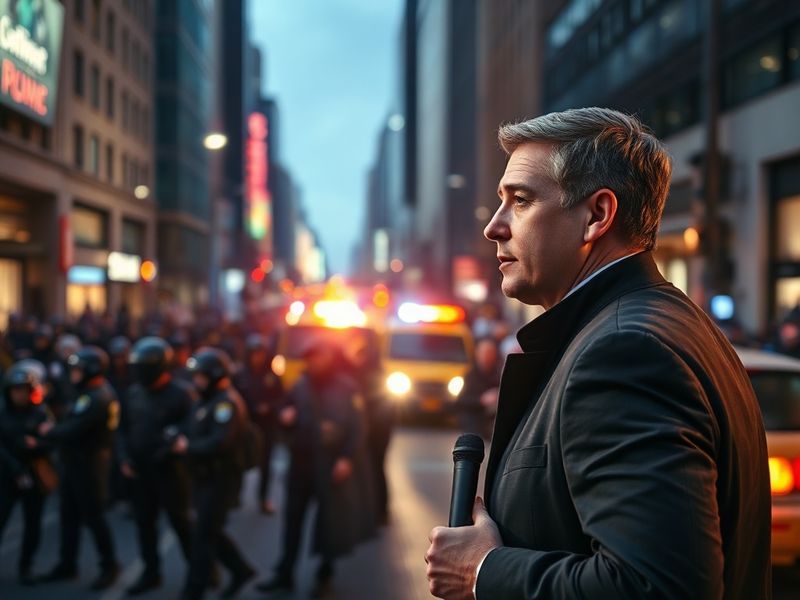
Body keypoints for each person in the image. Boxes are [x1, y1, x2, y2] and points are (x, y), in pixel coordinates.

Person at [424, 108, 771, 599]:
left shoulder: (623, 351)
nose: (494, 227)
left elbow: (658, 587)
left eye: (520, 201)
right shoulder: (669, 326)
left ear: (596, 216)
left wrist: (482, 570)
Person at [257, 341, 372, 598]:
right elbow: (284, 411)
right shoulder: (300, 385)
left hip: (329, 464)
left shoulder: (347, 387)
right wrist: (285, 418)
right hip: (300, 463)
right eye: (310, 358)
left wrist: (347, 458)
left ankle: (324, 574)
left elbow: (359, 426)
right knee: (292, 519)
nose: (314, 363)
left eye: (319, 357)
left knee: (329, 521)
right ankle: (285, 572)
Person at [171, 347, 256, 600]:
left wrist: (189, 447)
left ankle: (194, 590)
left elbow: (220, 442)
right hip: (204, 477)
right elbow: (193, 425)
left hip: (220, 480)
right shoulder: (207, 399)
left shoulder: (226, 403)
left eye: (201, 377)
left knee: (202, 536)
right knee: (210, 531)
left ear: (215, 376)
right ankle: (241, 570)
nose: (196, 381)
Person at [38, 346, 121, 591]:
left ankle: (109, 565)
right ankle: (67, 564)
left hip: (90, 465)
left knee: (94, 517)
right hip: (75, 462)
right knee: (69, 515)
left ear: (91, 370)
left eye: (78, 370)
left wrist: (49, 431)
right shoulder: (88, 393)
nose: (73, 373)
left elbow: (73, 428)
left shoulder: (97, 396)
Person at [119, 337, 196, 595]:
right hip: (140, 471)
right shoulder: (133, 393)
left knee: (181, 523)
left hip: (171, 471)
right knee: (144, 524)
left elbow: (192, 426)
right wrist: (124, 458)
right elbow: (122, 430)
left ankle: (200, 572)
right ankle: (151, 573)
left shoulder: (181, 394)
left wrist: (175, 441)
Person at [0, 362, 55, 584]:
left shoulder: (41, 412)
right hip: (7, 475)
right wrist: (14, 468)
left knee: (33, 523)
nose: (20, 395)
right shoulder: (2, 412)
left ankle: (26, 566)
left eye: (24, 390)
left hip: (34, 475)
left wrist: (38, 445)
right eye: (16, 390)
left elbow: (53, 440)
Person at [232, 333, 284, 514]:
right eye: (255, 353)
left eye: (261, 353)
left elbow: (281, 399)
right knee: (238, 461)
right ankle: (235, 496)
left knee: (266, 463)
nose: (258, 357)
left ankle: (263, 498)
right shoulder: (240, 375)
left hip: (266, 427)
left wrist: (269, 407)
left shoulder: (272, 376)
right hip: (245, 426)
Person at [454, 337, 501, 440]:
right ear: (477, 354)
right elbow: (460, 401)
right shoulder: (469, 376)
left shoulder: (499, 374)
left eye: (490, 353)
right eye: (484, 353)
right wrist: (481, 400)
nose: (487, 356)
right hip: (473, 421)